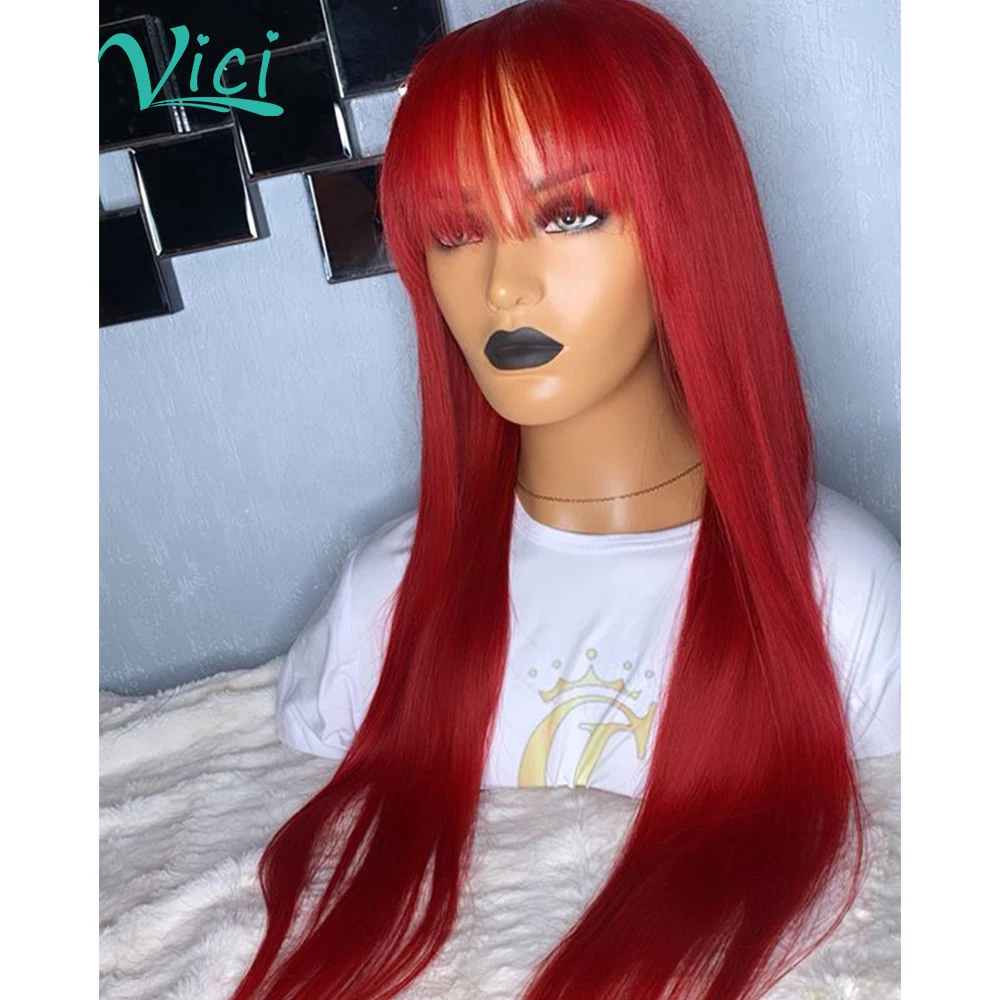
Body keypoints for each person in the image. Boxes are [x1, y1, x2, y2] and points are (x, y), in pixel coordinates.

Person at [232, 2, 900, 999]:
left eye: (569, 214)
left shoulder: (842, 591)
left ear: (686, 221)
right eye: (457, 230)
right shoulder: (384, 600)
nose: (504, 286)